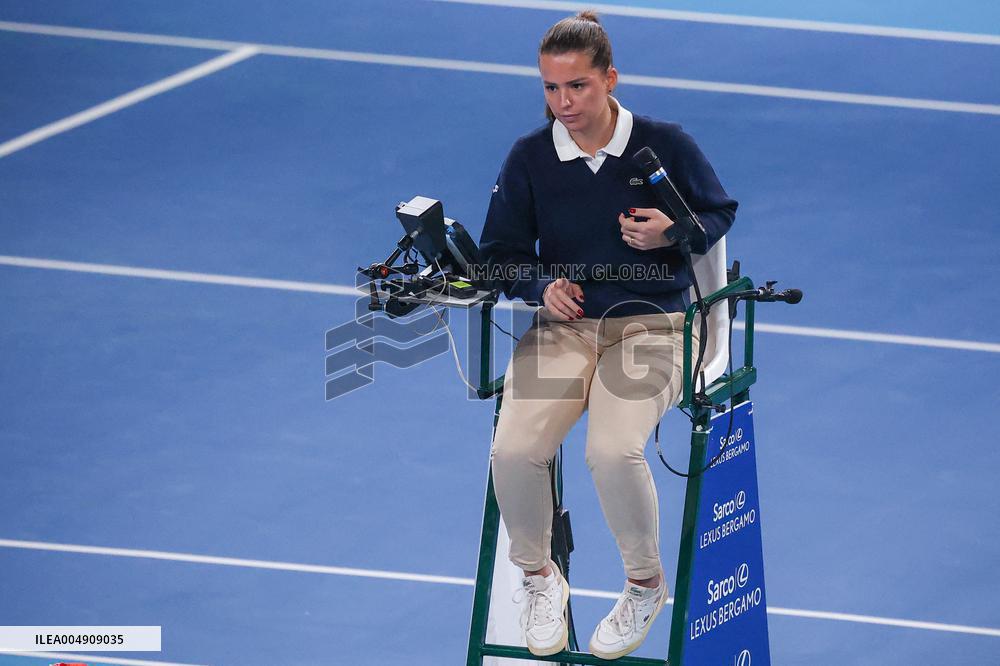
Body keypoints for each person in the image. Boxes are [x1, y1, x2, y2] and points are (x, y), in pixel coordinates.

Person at [478, 10, 737, 660]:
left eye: (577, 87)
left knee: (611, 452)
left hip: (653, 328)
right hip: (564, 330)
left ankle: (645, 584)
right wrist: (540, 286)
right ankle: (539, 579)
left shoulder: (664, 145)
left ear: (609, 80)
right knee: (513, 451)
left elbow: (718, 213)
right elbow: (500, 252)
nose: (563, 103)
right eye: (551, 88)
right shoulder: (531, 158)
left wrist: (670, 232)